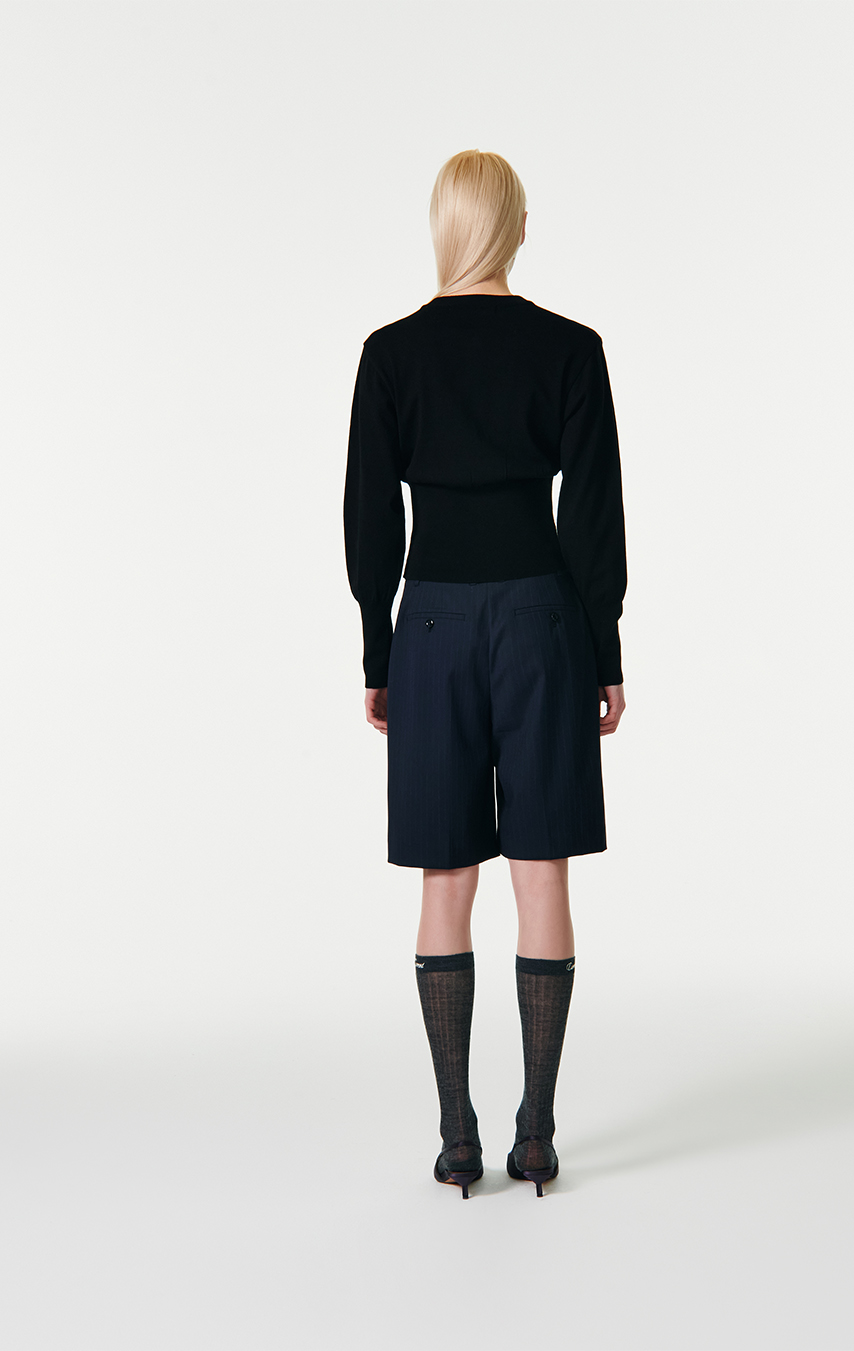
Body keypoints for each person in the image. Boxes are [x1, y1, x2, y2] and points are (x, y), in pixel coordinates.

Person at [343, 149, 627, 1199]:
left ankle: (457, 1134)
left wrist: (378, 649)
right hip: (545, 620)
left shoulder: (391, 354)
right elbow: (591, 513)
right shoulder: (571, 349)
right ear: (516, 226)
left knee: (446, 876)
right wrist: (604, 647)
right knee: (542, 870)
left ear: (442, 225)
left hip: (432, 625)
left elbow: (370, 516)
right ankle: (537, 1132)